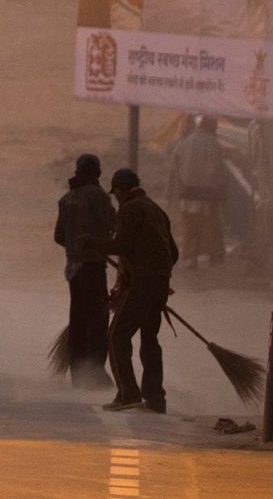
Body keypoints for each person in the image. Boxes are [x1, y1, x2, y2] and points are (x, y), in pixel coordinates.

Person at [102, 167, 178, 413]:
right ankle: (155, 398)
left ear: (122, 190)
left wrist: (94, 245)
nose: (116, 198)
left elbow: (122, 245)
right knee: (149, 338)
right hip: (159, 282)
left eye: (116, 193)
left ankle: (128, 394)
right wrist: (158, 273)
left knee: (116, 335)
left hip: (144, 282)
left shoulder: (129, 210)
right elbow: (173, 253)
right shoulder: (156, 210)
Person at [54, 153, 117, 389]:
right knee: (97, 318)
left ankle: (78, 372)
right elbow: (112, 226)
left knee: (78, 317)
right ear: (97, 172)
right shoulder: (99, 196)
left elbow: (59, 236)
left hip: (73, 267)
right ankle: (95, 371)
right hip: (93, 265)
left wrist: (74, 246)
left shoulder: (67, 198)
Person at [167, 115, 228, 266]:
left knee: (190, 226)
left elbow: (174, 168)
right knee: (211, 227)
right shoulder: (213, 144)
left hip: (187, 193)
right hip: (207, 194)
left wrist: (172, 191)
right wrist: (220, 189)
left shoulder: (184, 143)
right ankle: (214, 257)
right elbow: (216, 169)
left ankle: (191, 258)